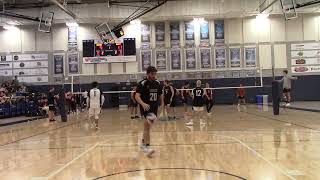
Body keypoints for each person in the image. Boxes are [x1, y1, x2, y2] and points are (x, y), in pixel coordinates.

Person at [135, 66, 163, 157]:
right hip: (146, 108)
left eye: (155, 74)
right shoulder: (142, 83)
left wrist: (162, 104)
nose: (154, 75)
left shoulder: (158, 83)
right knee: (147, 126)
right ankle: (147, 147)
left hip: (154, 108)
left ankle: (143, 143)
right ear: (147, 74)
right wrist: (143, 104)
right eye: (152, 74)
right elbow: (137, 96)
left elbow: (160, 94)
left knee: (148, 126)